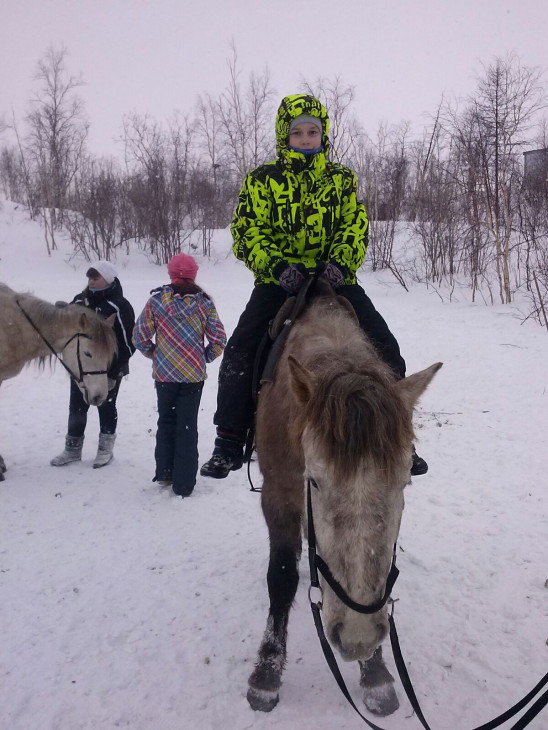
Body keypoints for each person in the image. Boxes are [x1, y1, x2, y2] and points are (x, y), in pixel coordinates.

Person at [200, 93, 429, 480]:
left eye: (313, 131)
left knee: (385, 347)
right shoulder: (262, 179)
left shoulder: (341, 179)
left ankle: (400, 438)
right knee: (240, 349)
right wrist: (276, 265)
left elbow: (355, 226)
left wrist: (339, 265)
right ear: (284, 136)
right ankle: (229, 439)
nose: (306, 138)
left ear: (323, 135)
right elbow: (247, 230)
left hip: (335, 279)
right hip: (279, 281)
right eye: (298, 132)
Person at [133, 253, 227, 498]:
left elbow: (139, 337)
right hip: (193, 376)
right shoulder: (204, 303)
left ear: (170, 274)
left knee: (166, 422)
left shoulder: (156, 302)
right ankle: (184, 484)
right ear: (194, 274)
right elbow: (219, 339)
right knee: (187, 427)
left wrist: (155, 354)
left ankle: (165, 473)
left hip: (164, 375)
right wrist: (203, 357)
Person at [51, 260, 136, 469]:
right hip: (81, 368)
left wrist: (114, 370)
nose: (91, 281)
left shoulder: (119, 305)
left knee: (106, 406)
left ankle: (105, 449)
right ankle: (72, 449)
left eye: (95, 278)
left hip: (108, 368)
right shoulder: (80, 300)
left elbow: (128, 342)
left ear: (108, 279)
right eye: (89, 278)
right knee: (77, 406)